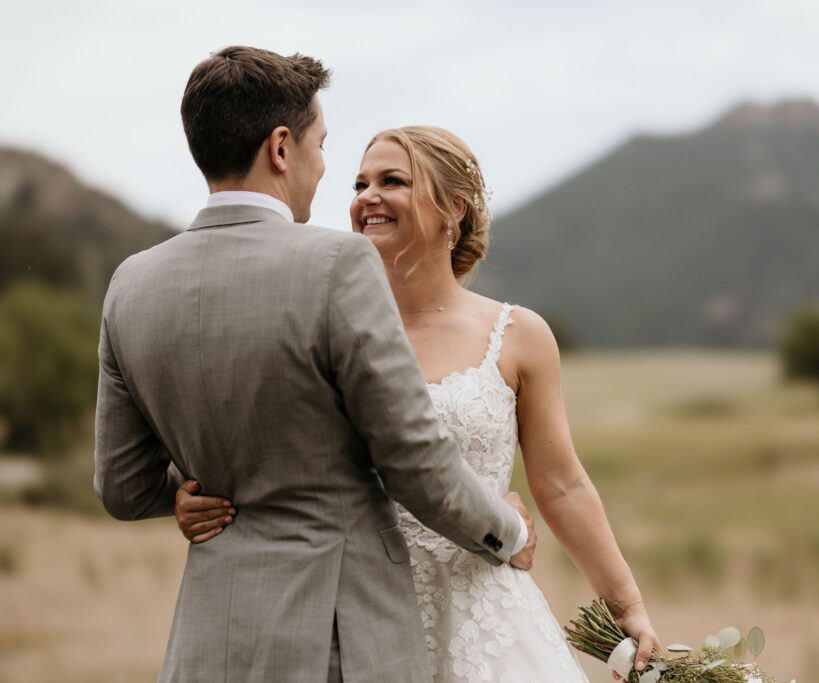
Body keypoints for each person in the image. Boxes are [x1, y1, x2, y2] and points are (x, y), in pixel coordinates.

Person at [93, 47, 539, 683]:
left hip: (204, 644)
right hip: (334, 640)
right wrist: (509, 533)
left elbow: (123, 488)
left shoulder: (129, 285)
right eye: (321, 145)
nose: (325, 167)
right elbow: (414, 460)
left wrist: (190, 495)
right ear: (281, 148)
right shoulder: (337, 264)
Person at [176, 125, 661, 681]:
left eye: (392, 181)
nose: (366, 197)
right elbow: (267, 448)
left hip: (487, 624)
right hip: (354, 620)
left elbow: (561, 483)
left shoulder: (519, 335)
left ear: (453, 208)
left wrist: (627, 606)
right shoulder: (322, 327)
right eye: (360, 183)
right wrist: (187, 493)